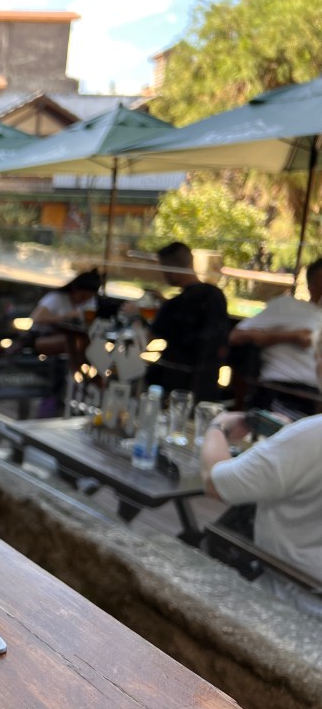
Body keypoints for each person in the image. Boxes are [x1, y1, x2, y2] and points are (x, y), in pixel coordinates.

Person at [200, 326, 322, 617]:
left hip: (293, 599)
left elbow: (215, 482)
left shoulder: (311, 436)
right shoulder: (306, 436)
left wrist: (217, 427)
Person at [228, 257, 322, 418]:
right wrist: (291, 336)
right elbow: (235, 336)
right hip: (286, 393)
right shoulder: (288, 306)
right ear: (311, 286)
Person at [143, 241, 230, 402]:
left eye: (164, 268)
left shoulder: (175, 305)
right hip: (207, 383)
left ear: (171, 270)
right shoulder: (216, 296)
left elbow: (146, 340)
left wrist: (136, 314)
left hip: (174, 384)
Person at [29, 268, 101, 355]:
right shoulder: (56, 298)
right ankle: (75, 367)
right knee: (74, 341)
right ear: (75, 289)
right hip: (40, 336)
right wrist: (66, 316)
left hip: (67, 335)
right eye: (83, 296)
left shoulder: (89, 303)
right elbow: (36, 318)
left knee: (88, 340)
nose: (84, 300)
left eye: (88, 298)